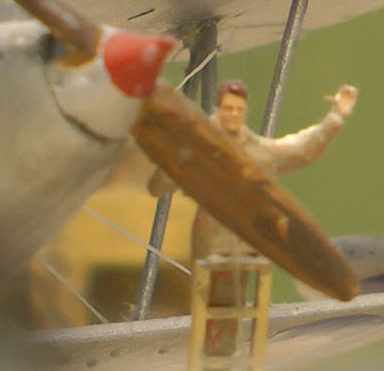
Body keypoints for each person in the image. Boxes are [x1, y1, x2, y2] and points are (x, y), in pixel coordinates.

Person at [147, 79, 358, 264]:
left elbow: (298, 150)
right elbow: (157, 186)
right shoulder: (198, 147)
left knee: (247, 291)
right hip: (211, 245)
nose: (233, 114)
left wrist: (335, 119)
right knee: (208, 298)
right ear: (219, 109)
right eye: (228, 108)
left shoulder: (253, 150)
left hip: (247, 243)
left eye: (239, 110)